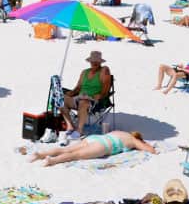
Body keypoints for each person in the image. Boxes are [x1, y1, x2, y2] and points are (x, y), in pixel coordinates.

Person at [28, 130, 156, 166]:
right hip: (103, 146)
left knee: (67, 149)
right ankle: (52, 161)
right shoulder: (133, 140)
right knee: (75, 155)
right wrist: (148, 146)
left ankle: (39, 155)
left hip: (95, 138)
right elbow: (150, 150)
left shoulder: (120, 132)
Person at [62, 51, 113, 138]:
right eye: (93, 61)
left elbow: (105, 90)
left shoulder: (104, 71)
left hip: (94, 100)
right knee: (60, 99)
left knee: (84, 102)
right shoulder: (84, 72)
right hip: (80, 97)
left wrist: (99, 95)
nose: (94, 63)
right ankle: (70, 126)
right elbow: (78, 88)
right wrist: (71, 92)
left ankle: (79, 130)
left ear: (100, 62)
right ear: (90, 61)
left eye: (97, 61)